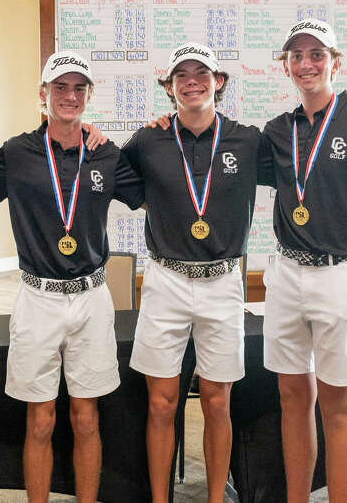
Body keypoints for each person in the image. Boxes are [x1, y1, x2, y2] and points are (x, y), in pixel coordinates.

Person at [0, 51, 143, 503]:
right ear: (42, 94)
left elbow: (152, 193)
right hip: (37, 298)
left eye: (78, 88)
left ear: (88, 95)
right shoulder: (16, 152)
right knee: (41, 419)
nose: (69, 96)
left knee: (87, 418)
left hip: (91, 296)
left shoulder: (106, 153)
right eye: (60, 87)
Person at [261, 19, 347, 502]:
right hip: (286, 275)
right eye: (296, 56)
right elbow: (220, 160)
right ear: (286, 66)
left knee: (339, 407)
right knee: (293, 399)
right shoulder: (278, 131)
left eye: (316, 54)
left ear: (335, 62)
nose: (306, 64)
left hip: (340, 274)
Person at [121, 43, 263, 503]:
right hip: (165, 280)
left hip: (222, 281)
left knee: (219, 402)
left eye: (201, 73)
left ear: (218, 81)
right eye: (180, 75)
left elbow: (309, 172)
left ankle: (215, 499)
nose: (191, 81)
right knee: (161, 403)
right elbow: (96, 171)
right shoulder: (148, 141)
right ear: (169, 87)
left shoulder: (247, 139)